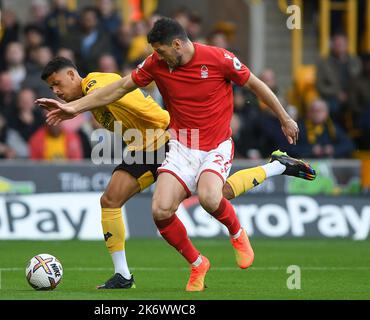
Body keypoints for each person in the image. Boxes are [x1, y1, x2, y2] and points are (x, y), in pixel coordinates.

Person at [38, 51, 316, 291]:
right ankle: (124, 275)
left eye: (57, 84)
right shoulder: (91, 97)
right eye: (52, 89)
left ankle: (276, 166)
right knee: (110, 200)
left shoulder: (96, 83)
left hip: (169, 140)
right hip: (144, 147)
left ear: (73, 75)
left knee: (218, 195)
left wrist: (71, 108)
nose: (57, 92)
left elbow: (110, 94)